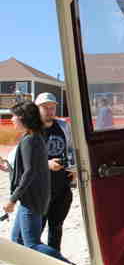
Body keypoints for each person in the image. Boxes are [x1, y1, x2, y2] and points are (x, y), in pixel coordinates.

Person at [1, 101, 72, 265]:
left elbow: (29, 173)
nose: (11, 120)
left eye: (14, 116)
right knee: (17, 239)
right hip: (34, 198)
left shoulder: (30, 140)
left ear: (23, 118)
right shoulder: (33, 137)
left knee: (32, 244)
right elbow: (31, 168)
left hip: (31, 199)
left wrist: (12, 200)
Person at [34, 92, 74, 252]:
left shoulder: (63, 126)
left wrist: (73, 168)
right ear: (37, 108)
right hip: (40, 189)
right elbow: (24, 159)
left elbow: (71, 148)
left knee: (56, 227)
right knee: (36, 228)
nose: (49, 110)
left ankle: (54, 259)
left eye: (52, 107)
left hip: (61, 185)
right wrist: (46, 164)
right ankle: (32, 263)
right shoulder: (32, 129)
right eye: (45, 107)